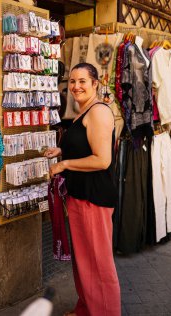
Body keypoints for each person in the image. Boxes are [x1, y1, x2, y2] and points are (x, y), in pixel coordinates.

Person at [44, 62, 121, 316]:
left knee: (98, 264)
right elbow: (84, 147)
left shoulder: (98, 112)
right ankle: (87, 309)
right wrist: (62, 150)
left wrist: (64, 163)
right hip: (79, 198)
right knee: (84, 262)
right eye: (72, 82)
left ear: (95, 84)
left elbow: (102, 160)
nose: (76, 87)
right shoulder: (82, 112)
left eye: (82, 82)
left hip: (94, 199)